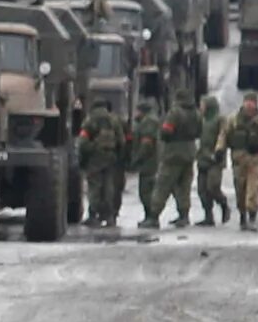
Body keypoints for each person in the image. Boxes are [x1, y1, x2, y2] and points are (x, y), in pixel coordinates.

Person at [76, 98, 128, 228]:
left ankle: (93, 215)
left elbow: (83, 141)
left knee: (95, 186)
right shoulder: (114, 119)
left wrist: (84, 156)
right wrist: (120, 157)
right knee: (109, 187)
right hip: (111, 157)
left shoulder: (90, 119)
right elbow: (121, 141)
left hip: (95, 158)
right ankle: (110, 217)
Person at [225, 93, 258, 229]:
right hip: (238, 159)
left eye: (252, 102)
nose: (249, 105)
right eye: (247, 102)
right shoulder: (234, 119)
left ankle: (252, 216)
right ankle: (242, 216)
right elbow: (225, 135)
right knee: (240, 188)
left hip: (254, 159)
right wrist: (220, 149)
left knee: (253, 189)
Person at [156, 93, 203, 227]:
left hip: (173, 153)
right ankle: (184, 215)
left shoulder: (175, 113)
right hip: (189, 152)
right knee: (184, 186)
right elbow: (200, 131)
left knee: (163, 184)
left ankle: (153, 216)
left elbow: (166, 131)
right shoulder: (196, 113)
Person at [127, 100, 165, 228]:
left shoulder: (148, 122)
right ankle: (149, 216)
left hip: (149, 162)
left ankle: (152, 217)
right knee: (146, 191)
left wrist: (137, 159)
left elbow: (146, 143)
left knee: (146, 192)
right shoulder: (148, 121)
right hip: (149, 161)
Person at [195, 93, 231, 226]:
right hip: (202, 158)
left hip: (215, 159)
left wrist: (219, 150)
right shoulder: (202, 120)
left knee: (213, 187)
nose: (201, 108)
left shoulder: (219, 119)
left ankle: (223, 204)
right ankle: (208, 216)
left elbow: (223, 134)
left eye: (203, 105)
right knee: (202, 189)